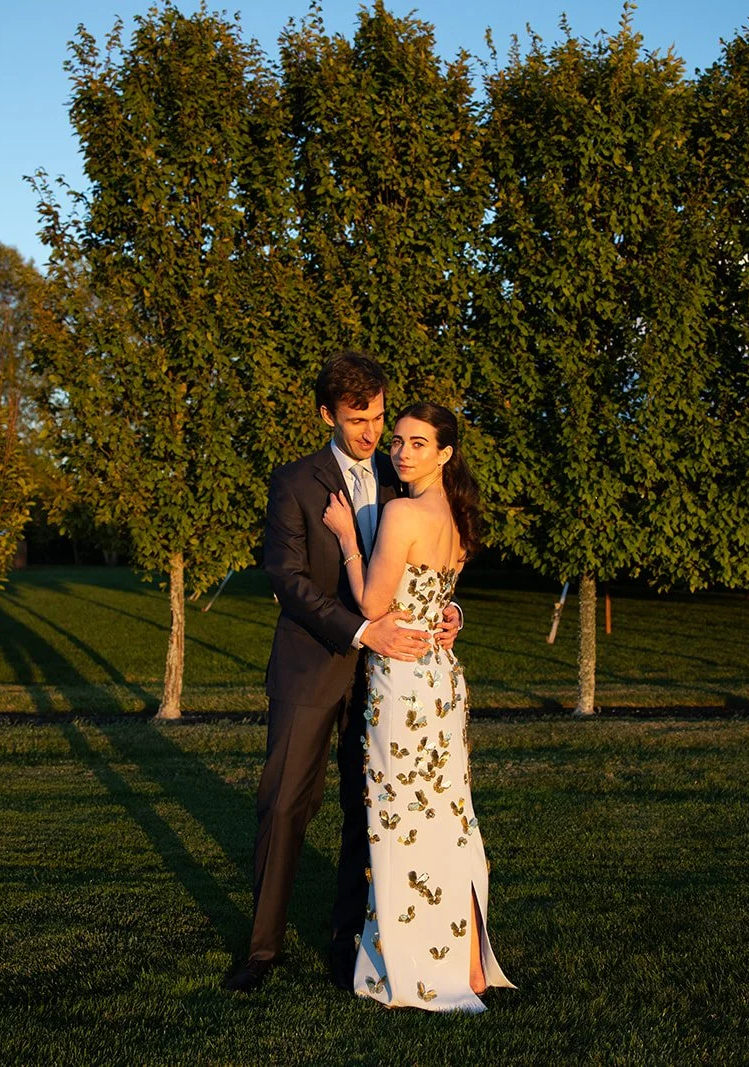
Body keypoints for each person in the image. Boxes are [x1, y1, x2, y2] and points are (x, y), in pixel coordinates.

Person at [227, 352, 462, 994]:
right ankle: (262, 950)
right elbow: (288, 579)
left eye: (379, 418)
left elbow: (431, 556)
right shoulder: (293, 481)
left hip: (386, 681)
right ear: (326, 415)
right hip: (311, 668)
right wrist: (362, 630)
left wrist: (450, 611)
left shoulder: (401, 474)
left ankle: (349, 943)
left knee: (370, 808)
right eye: (359, 420)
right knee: (285, 806)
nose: (373, 433)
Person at [321, 402, 513, 1012]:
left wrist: (348, 539)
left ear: (445, 454)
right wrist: (452, 614)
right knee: (450, 822)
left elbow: (372, 604)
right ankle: (469, 964)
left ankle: (426, 967)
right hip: (442, 680)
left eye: (418, 444)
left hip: (403, 683)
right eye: (398, 441)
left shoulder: (402, 512)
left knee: (401, 821)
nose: (402, 453)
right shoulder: (456, 514)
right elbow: (439, 599)